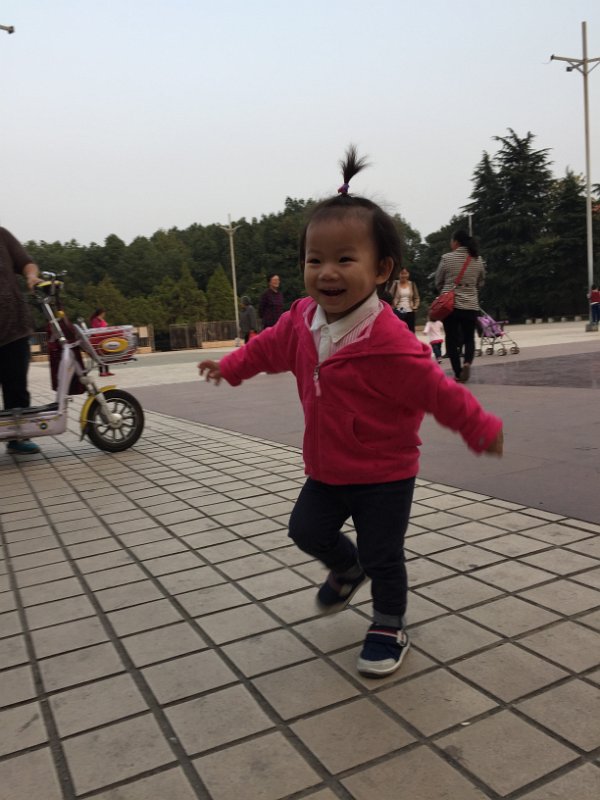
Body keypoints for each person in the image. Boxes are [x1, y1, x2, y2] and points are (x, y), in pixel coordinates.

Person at [198, 146, 503, 678]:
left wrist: (481, 427)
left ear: (381, 269)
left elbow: (439, 392)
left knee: (384, 554)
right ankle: (345, 567)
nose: (327, 273)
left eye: (344, 259)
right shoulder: (301, 319)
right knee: (305, 530)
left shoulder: (391, 343)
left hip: (385, 473)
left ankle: (389, 623)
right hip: (327, 466)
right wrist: (231, 366)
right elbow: (266, 348)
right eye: (314, 260)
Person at [0, 226, 43, 455]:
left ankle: (18, 438)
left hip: (14, 327)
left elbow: (26, 262)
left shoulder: (1, 235)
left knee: (16, 387)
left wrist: (31, 275)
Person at [435, 229, 485, 383]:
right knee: (469, 337)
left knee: (451, 339)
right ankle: (467, 363)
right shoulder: (478, 259)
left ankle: (457, 373)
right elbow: (481, 281)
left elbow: (438, 280)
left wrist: (445, 290)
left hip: (451, 306)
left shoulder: (447, 258)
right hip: (471, 304)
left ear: (456, 242)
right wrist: (470, 290)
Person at [390, 267, 420, 332]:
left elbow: (416, 297)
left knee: (411, 331)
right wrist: (392, 307)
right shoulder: (395, 284)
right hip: (398, 311)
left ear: (408, 274)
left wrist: (415, 306)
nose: (404, 275)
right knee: (399, 331)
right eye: (402, 273)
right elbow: (390, 296)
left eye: (406, 273)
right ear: (398, 274)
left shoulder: (412, 284)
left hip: (410, 311)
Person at [89, 308, 114, 377]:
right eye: (103, 313)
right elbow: (98, 329)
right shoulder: (95, 320)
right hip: (98, 339)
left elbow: (105, 326)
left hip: (103, 338)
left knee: (106, 354)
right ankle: (101, 372)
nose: (104, 314)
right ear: (100, 313)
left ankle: (107, 371)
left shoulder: (101, 319)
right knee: (100, 355)